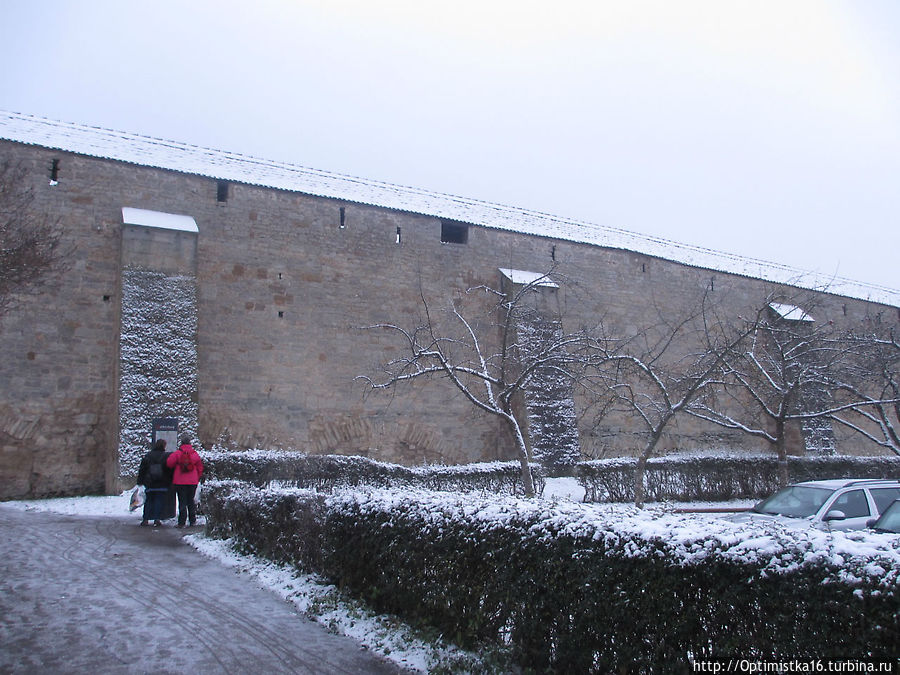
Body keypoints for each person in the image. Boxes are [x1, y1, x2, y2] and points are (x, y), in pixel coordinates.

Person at [167, 435, 203, 528]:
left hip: (179, 481)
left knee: (182, 501)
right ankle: (192, 520)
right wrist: (196, 477)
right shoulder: (194, 454)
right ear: (190, 443)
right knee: (191, 501)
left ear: (181, 443)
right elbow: (200, 467)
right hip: (192, 482)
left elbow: (169, 463)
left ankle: (182, 522)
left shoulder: (177, 453)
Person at [136, 439, 172, 527]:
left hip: (150, 482)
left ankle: (146, 519)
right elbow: (169, 470)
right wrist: (169, 481)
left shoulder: (148, 455)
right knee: (159, 500)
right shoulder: (165, 456)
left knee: (149, 500)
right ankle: (157, 519)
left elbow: (142, 469)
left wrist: (140, 481)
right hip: (161, 482)